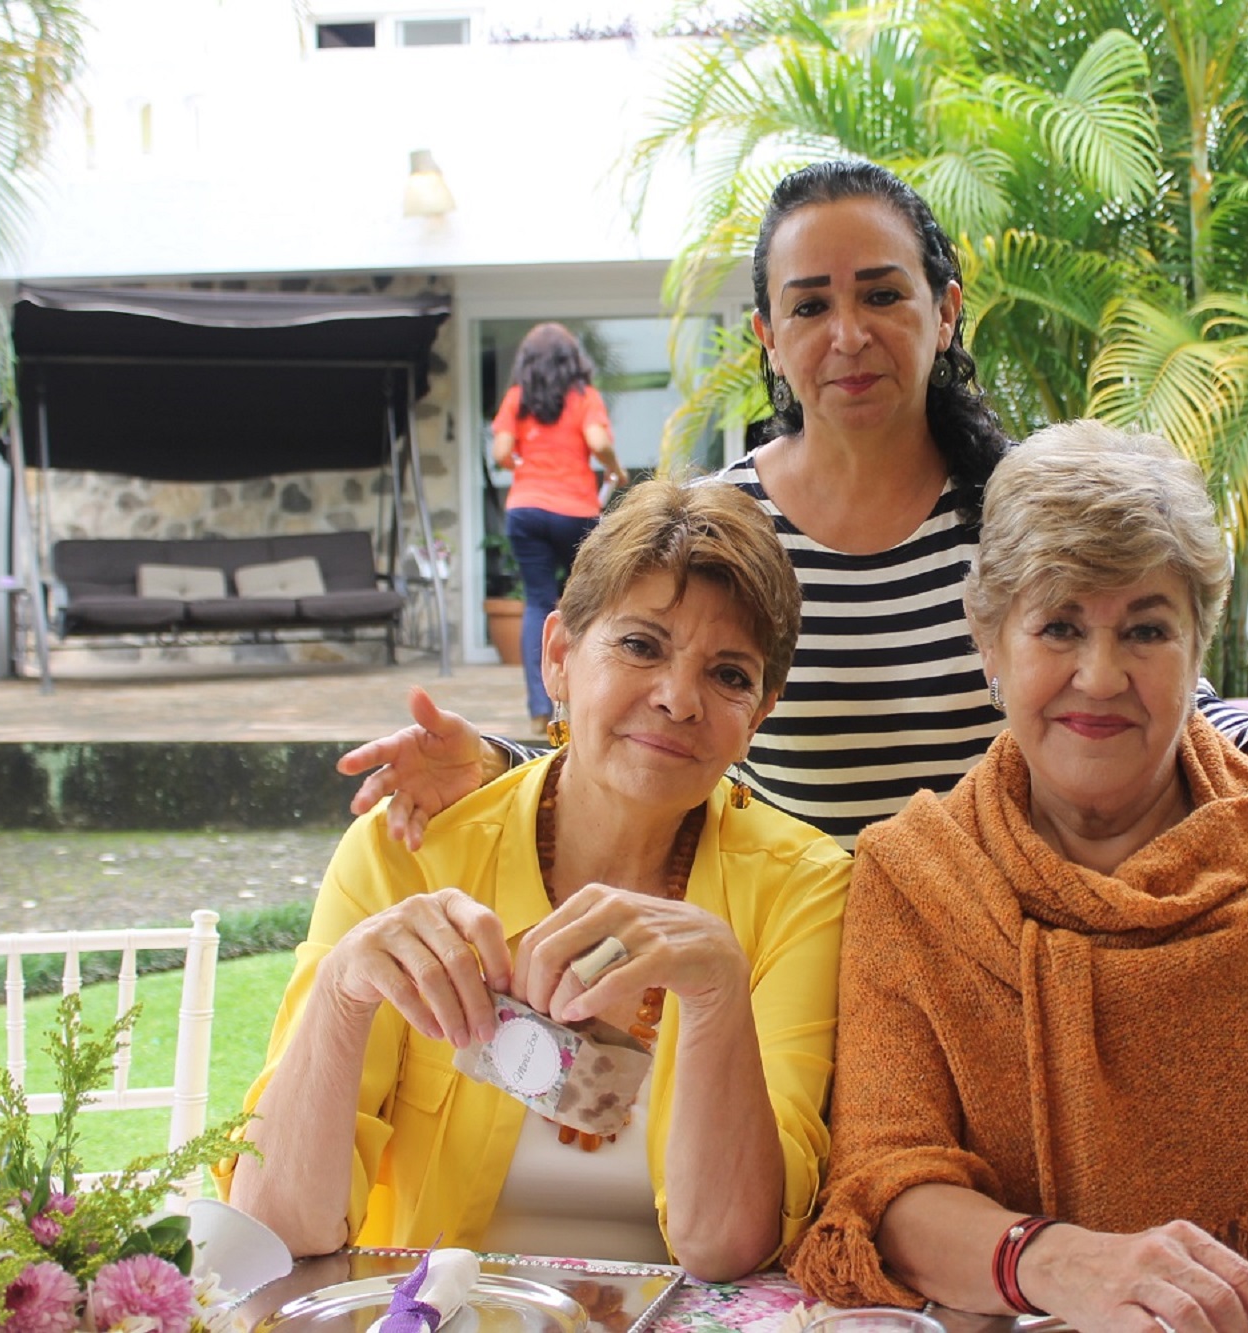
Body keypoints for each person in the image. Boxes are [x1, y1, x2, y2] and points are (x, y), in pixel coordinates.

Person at [342, 160, 1248, 862]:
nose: (847, 333)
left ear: (945, 307)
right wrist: (488, 765)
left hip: (999, 973)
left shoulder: (1022, 511)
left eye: (881, 294)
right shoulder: (721, 527)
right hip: (781, 976)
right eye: (809, 304)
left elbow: (1140, 686)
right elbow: (641, 727)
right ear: (766, 334)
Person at [787, 423, 1248, 1333]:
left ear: (1197, 645)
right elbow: (886, 1184)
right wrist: (1061, 1261)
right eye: (1058, 625)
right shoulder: (915, 875)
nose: (1099, 676)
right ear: (990, 643)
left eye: (1145, 629)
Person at [219, 479, 849, 1281]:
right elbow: (276, 1227)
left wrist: (718, 989)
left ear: (759, 713)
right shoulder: (410, 850)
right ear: (559, 655)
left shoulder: (805, 888)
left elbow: (727, 1244)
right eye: (641, 644)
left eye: (729, 674)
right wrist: (345, 991)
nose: (678, 698)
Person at [494, 322, 630, 734]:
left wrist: (525, 468)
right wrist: (615, 469)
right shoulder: (583, 398)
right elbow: (598, 442)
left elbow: (501, 452)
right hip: (574, 510)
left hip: (526, 509)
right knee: (583, 603)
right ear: (573, 362)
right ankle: (577, 703)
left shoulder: (517, 399)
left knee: (538, 603)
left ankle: (539, 708)